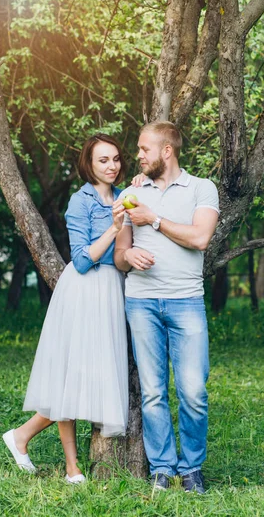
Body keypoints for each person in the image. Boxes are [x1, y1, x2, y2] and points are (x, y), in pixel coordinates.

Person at [3, 134, 128, 484]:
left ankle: (22, 436)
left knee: (91, 376)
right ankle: (71, 465)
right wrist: (115, 229)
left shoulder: (124, 197)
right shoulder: (80, 201)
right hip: (85, 289)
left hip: (112, 291)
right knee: (72, 376)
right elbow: (82, 260)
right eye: (103, 160)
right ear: (89, 163)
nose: (112, 166)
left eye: (116, 159)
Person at [114, 122, 219, 494]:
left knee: (193, 391)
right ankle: (162, 467)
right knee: (154, 392)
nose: (138, 155)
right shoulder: (131, 192)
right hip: (140, 303)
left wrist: (153, 220)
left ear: (167, 151)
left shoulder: (202, 188)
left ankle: (191, 469)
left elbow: (201, 238)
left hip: (186, 301)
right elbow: (120, 256)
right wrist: (129, 252)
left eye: (144, 149)